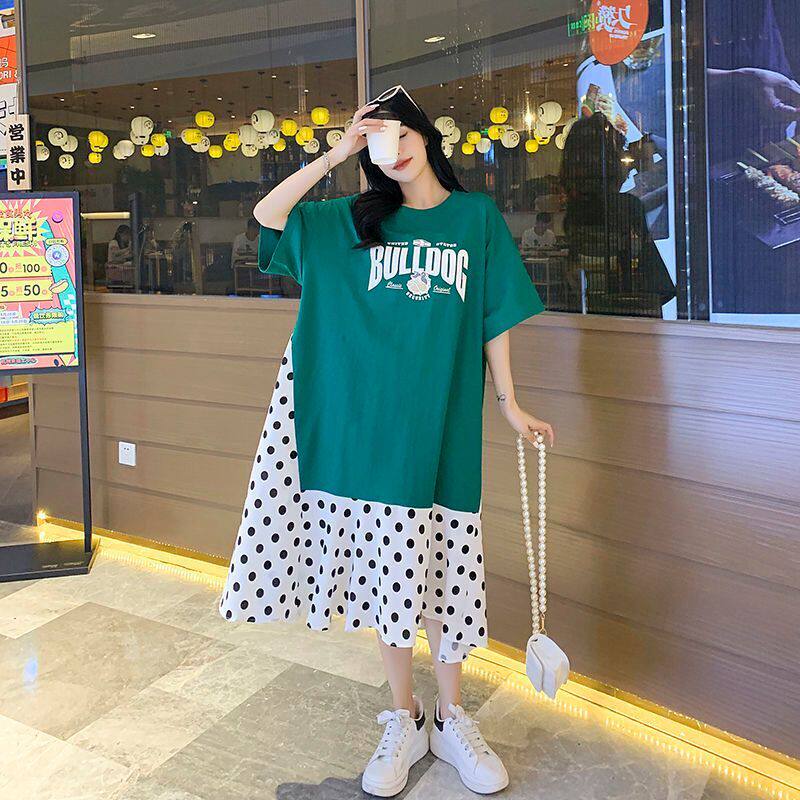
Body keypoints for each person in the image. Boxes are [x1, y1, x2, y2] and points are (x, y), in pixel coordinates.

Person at [218, 85, 554, 797]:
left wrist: (510, 402)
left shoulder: (475, 218)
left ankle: (452, 716)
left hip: (444, 425)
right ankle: (405, 717)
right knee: (391, 575)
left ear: (427, 137)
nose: (393, 150)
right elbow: (268, 217)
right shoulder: (352, 220)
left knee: (449, 573)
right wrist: (334, 154)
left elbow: (493, 316)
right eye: (377, 141)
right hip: (372, 431)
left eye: (403, 134)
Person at [560, 113, 676, 317]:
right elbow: (659, 288)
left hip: (590, 317)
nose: (625, 158)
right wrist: (650, 146)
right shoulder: (625, 207)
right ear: (608, 162)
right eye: (620, 152)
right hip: (626, 318)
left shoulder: (574, 211)